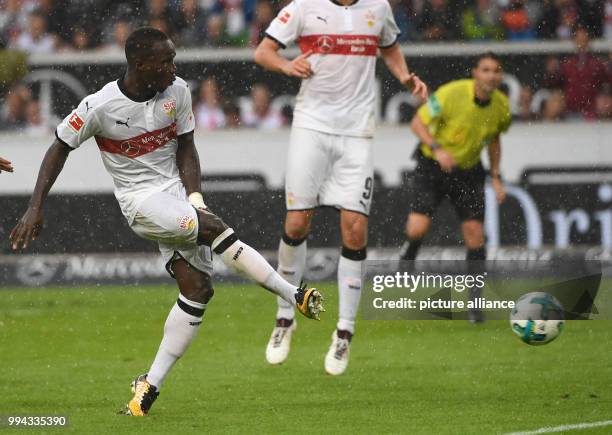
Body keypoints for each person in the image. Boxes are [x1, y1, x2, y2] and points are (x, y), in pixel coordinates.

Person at [9, 27, 324, 417]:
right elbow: (59, 147)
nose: (174, 68)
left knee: (198, 289)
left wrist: (194, 199)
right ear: (141, 65)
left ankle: (148, 387)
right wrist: (35, 206)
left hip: (175, 195)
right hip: (140, 203)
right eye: (166, 61)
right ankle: (292, 294)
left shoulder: (177, 92)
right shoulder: (99, 106)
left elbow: (187, 148)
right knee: (212, 228)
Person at [254, 0, 427, 375]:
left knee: (355, 228)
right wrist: (286, 64)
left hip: (357, 132)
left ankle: (345, 330)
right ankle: (286, 315)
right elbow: (263, 51)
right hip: (311, 127)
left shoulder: (378, 8)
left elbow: (390, 46)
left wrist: (404, 75)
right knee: (298, 223)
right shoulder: (303, 7)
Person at [399, 52, 511, 322]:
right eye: (486, 70)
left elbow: (494, 140)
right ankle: (410, 251)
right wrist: (438, 149)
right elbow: (417, 122)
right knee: (418, 228)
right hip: (432, 165)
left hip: (469, 171)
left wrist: (495, 176)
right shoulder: (451, 94)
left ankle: (475, 303)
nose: (491, 76)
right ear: (475, 72)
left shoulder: (501, 106)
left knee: (475, 235)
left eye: (496, 71)